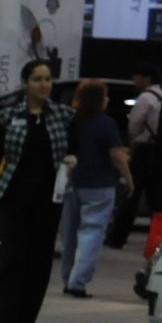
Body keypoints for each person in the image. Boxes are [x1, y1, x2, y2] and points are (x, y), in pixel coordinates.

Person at [0, 58, 70, 323]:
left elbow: (77, 148)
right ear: (25, 83)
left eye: (48, 79)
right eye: (37, 79)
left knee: (39, 265)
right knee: (10, 262)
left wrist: (75, 158)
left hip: (49, 203)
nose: (44, 85)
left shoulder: (64, 116)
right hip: (14, 200)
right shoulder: (8, 116)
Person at [59, 79, 132, 297]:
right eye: (105, 96)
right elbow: (116, 156)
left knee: (70, 235)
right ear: (100, 100)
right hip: (100, 185)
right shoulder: (106, 124)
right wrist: (129, 178)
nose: (108, 99)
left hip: (73, 182)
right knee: (91, 234)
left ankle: (68, 278)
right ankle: (78, 282)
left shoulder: (73, 121)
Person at [110, 65, 158, 248]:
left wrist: (131, 144)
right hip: (159, 152)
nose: (134, 81)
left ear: (146, 78)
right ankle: (158, 237)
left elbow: (134, 125)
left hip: (144, 151)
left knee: (131, 194)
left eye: (136, 76)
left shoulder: (145, 98)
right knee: (156, 199)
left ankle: (117, 237)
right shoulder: (161, 95)